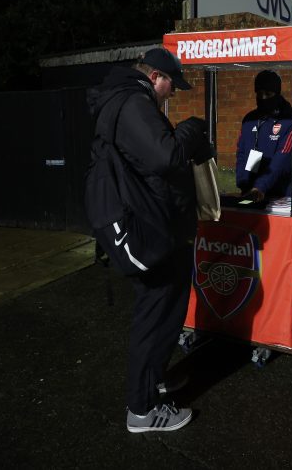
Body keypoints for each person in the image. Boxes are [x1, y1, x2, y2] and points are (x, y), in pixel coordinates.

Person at [85, 47, 209, 434]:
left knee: (168, 309)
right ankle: (141, 410)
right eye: (172, 84)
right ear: (155, 76)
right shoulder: (133, 103)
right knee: (153, 316)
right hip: (145, 232)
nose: (173, 93)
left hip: (154, 229)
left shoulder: (128, 102)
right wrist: (191, 128)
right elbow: (165, 157)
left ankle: (153, 381)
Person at [234, 69, 292, 203]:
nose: (263, 98)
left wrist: (260, 186)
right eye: (259, 94)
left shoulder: (291, 122)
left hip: (280, 195)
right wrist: (243, 182)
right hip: (251, 193)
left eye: (268, 94)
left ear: (277, 93)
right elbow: (242, 152)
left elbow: (281, 159)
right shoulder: (250, 119)